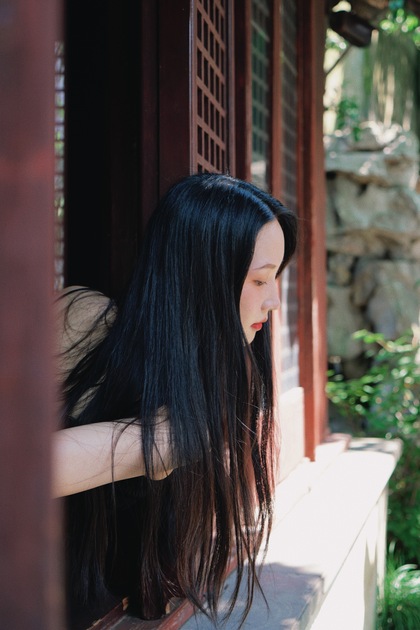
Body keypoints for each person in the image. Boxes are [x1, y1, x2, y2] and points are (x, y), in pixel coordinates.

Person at [53, 172, 298, 626]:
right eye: (260, 280)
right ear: (204, 276)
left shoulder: (217, 371)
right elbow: (20, 467)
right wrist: (165, 441)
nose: (274, 302)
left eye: (275, 279)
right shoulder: (86, 320)